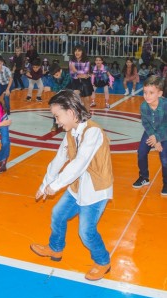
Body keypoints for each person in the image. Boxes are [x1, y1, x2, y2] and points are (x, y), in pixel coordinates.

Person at [30, 89, 113, 281]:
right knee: (58, 214)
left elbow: (78, 164)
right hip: (77, 187)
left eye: (57, 116)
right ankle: (55, 249)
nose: (56, 121)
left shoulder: (93, 132)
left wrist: (55, 185)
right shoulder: (70, 133)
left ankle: (102, 261)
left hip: (95, 190)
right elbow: (59, 159)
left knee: (86, 231)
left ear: (71, 112)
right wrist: (44, 185)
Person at [132, 76, 167, 195]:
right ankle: (144, 177)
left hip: (164, 133)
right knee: (141, 153)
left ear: (160, 93)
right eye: (145, 92)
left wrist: (158, 139)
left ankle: (166, 183)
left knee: (165, 159)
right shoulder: (143, 106)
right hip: (150, 132)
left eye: (151, 93)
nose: (147, 96)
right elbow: (146, 123)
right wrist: (154, 138)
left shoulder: (165, 105)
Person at [44, 63, 72, 131]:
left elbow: (62, 87)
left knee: (66, 109)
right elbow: (51, 85)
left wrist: (51, 88)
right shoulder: (53, 75)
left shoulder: (68, 75)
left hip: (69, 93)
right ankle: (55, 124)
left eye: (57, 75)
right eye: (53, 76)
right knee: (55, 107)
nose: (55, 77)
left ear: (60, 70)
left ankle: (67, 124)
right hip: (58, 93)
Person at [69, 45, 94, 111]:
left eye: (79, 51)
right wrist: (79, 75)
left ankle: (87, 115)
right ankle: (77, 115)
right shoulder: (71, 61)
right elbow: (71, 73)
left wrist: (76, 71)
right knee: (76, 99)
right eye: (75, 51)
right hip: (76, 82)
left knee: (87, 100)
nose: (77, 52)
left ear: (82, 52)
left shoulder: (87, 61)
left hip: (85, 82)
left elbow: (85, 71)